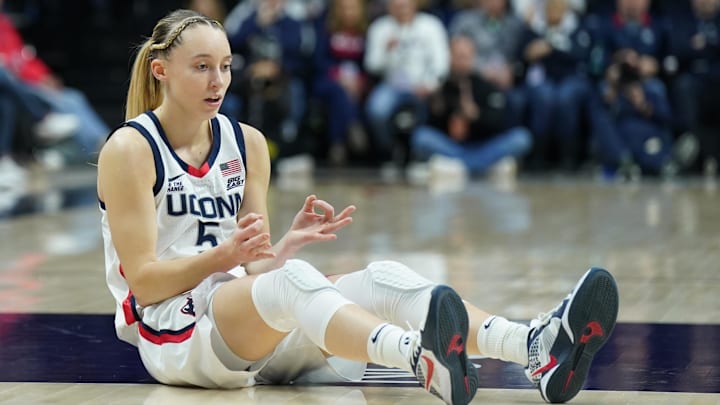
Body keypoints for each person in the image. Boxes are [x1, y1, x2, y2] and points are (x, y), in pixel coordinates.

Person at [97, 9, 620, 405]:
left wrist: (281, 246)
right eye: (202, 67)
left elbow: (255, 269)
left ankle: (533, 347)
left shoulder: (247, 142)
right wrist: (226, 259)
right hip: (175, 332)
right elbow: (144, 282)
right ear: (161, 70)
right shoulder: (129, 149)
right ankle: (418, 357)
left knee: (380, 277)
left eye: (227, 67)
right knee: (295, 281)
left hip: (241, 321)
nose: (218, 82)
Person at [409, 36, 532, 178]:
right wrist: (437, 110)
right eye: (457, 56)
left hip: (484, 146)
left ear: (473, 57)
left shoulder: (485, 86)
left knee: (522, 138)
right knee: (421, 137)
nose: (461, 61)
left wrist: (476, 116)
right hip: (453, 147)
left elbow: (499, 122)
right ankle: (481, 167)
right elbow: (433, 127)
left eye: (465, 57)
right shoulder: (441, 87)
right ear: (449, 57)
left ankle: (462, 167)